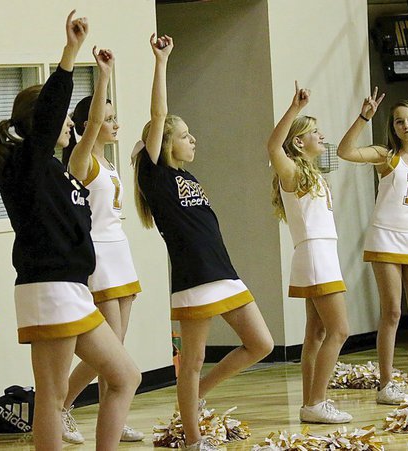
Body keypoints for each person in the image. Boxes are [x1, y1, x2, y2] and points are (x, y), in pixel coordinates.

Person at [0, 11, 140, 450]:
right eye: (61, 121)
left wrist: (104, 77)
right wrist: (70, 54)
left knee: (125, 376)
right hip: (48, 288)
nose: (70, 124)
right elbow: (56, 111)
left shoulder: (59, 169)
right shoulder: (26, 166)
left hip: (69, 290)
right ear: (43, 124)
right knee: (51, 399)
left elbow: (88, 127)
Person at [132, 34, 273, 450]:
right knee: (190, 364)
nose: (193, 140)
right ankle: (193, 439)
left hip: (223, 272)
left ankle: (193, 401)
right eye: (185, 135)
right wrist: (161, 62)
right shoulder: (154, 174)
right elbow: (158, 113)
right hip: (194, 277)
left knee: (261, 344)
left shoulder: (186, 177)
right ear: (165, 141)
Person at [59, 48, 145, 444]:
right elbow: (92, 121)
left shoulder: (109, 163)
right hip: (99, 256)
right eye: (106, 119)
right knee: (106, 348)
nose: (113, 124)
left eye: (114, 118)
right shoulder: (83, 159)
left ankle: (114, 413)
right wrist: (104, 77)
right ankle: (61, 405)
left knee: (118, 350)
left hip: (120, 250)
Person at [337, 92, 408, 404]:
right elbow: (344, 152)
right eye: (399, 121)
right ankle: (386, 384)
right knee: (393, 311)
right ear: (393, 127)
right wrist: (363, 117)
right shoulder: (386, 155)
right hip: (385, 237)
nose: (405, 125)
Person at [266, 82, 351, 423]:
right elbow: (273, 145)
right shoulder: (293, 171)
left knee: (316, 333)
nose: (322, 135)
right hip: (316, 256)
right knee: (339, 330)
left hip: (320, 255)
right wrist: (294, 111)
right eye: (315, 132)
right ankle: (317, 403)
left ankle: (309, 405)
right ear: (299, 142)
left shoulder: (311, 172)